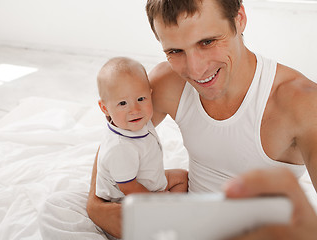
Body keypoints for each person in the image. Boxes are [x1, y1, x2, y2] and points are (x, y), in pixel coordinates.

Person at [87, 0, 317, 239]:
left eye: (207, 42)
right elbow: (118, 135)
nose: (195, 71)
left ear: (239, 19)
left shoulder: (303, 103)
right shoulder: (167, 83)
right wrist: (96, 206)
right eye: (175, 51)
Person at [95, 56, 188, 204]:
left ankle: (173, 208)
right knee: (164, 203)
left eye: (141, 99)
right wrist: (158, 199)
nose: (135, 110)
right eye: (123, 103)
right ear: (105, 108)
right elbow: (129, 188)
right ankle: (169, 213)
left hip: (147, 182)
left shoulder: (138, 122)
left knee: (182, 178)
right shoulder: (120, 147)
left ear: (150, 94)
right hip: (125, 198)